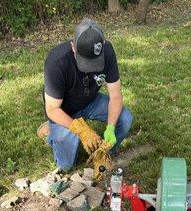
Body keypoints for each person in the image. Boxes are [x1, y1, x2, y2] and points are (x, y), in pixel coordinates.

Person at [41, 17, 133, 171]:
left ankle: (104, 153)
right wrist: (81, 130)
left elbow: (116, 95)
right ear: (73, 47)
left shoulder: (107, 52)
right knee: (66, 165)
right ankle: (49, 132)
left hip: (90, 101)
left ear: (102, 46)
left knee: (125, 118)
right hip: (64, 110)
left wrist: (110, 127)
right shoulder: (57, 62)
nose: (89, 68)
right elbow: (52, 109)